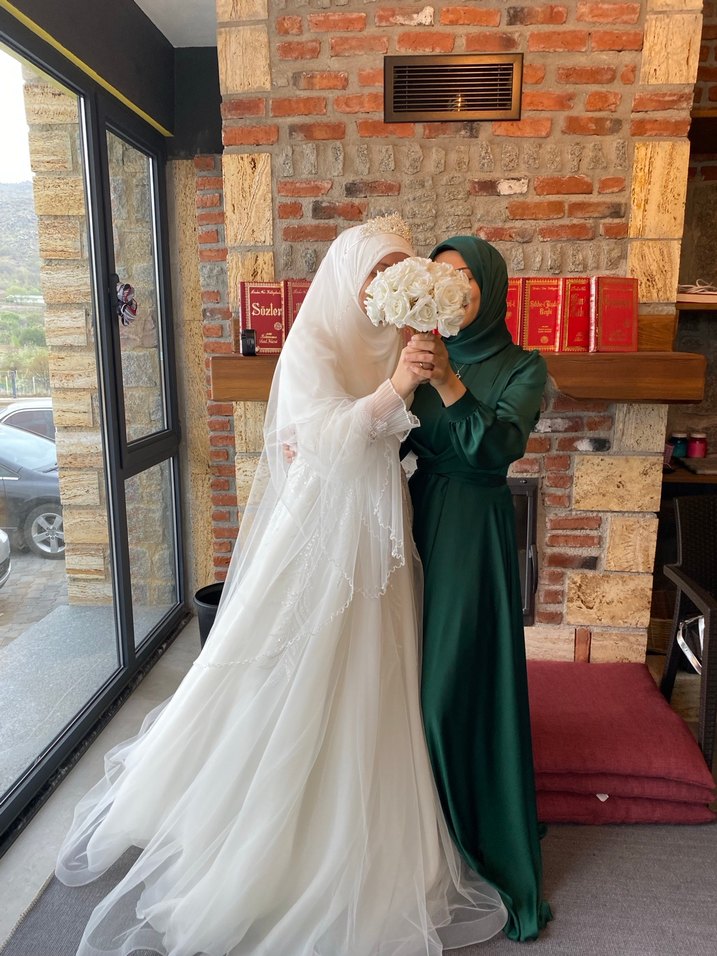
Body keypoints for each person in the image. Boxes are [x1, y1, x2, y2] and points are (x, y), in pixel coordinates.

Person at [55, 217, 508, 956]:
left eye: (394, 269)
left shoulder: (399, 338)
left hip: (379, 514)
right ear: (348, 275)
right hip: (321, 523)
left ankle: (368, 805)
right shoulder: (311, 344)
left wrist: (418, 377)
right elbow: (319, 440)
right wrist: (396, 387)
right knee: (290, 655)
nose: (382, 283)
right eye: (375, 270)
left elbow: (404, 431)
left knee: (375, 660)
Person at [398, 235, 552, 941]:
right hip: (410, 516)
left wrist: (448, 384)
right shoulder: (418, 347)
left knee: (443, 696)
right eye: (441, 274)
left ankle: (473, 834)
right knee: (399, 680)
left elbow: (497, 448)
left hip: (471, 527)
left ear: (489, 287)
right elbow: (392, 433)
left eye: (464, 276)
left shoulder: (523, 366)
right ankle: (415, 844)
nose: (450, 286)